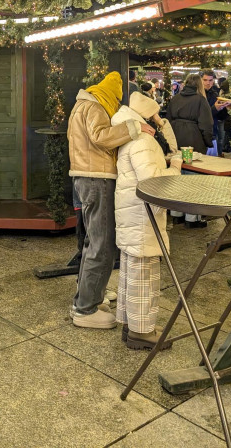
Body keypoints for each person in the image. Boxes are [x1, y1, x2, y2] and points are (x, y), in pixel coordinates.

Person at [67, 71, 155, 329]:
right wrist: (134, 127)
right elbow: (101, 137)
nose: (116, 104)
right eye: (116, 98)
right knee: (102, 244)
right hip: (97, 178)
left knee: (92, 241)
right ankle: (86, 309)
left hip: (85, 178)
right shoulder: (94, 106)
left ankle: (87, 297)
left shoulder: (82, 104)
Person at [112, 92, 182, 350]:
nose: (160, 120)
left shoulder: (131, 135)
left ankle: (132, 325)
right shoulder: (144, 139)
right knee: (145, 274)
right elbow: (154, 182)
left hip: (133, 214)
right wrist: (175, 166)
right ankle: (142, 332)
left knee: (132, 272)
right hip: (143, 218)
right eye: (156, 115)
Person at [167, 73, 214, 228]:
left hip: (176, 137)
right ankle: (192, 218)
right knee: (194, 181)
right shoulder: (201, 100)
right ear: (199, 85)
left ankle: (176, 214)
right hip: (194, 139)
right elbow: (206, 124)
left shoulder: (175, 98)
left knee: (177, 177)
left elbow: (168, 119)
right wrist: (208, 142)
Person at [201, 69, 229, 153]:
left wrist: (225, 108)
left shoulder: (214, 94)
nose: (208, 83)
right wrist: (215, 108)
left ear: (213, 81)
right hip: (200, 133)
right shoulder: (197, 94)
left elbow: (220, 116)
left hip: (213, 132)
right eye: (205, 80)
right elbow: (201, 115)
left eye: (210, 80)